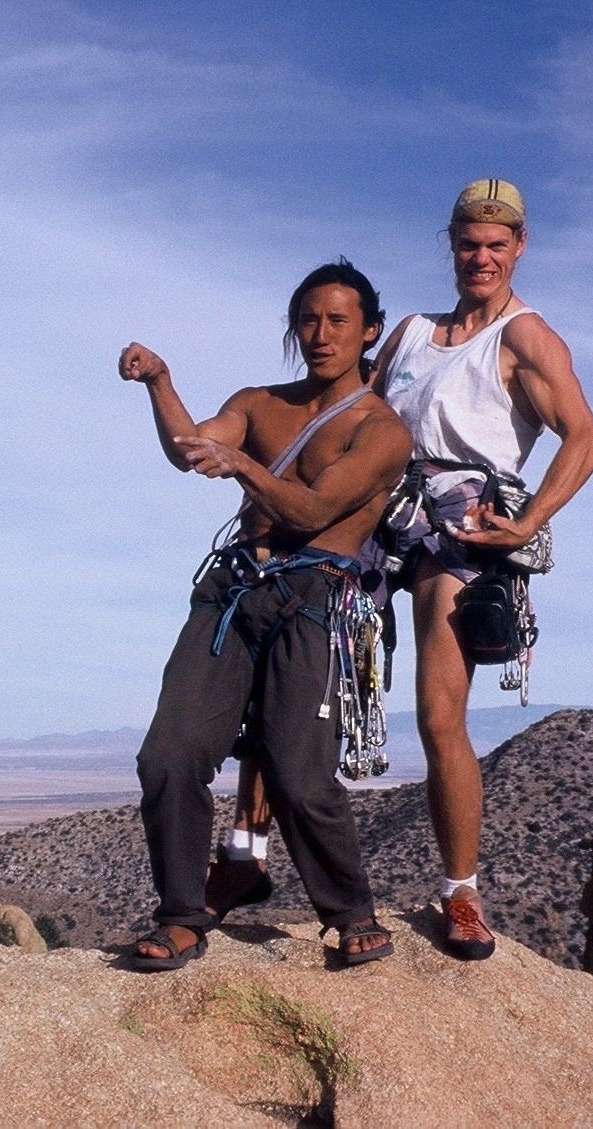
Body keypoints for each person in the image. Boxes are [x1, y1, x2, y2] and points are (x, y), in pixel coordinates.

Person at [207, 180, 593, 960]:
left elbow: (585, 439)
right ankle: (246, 857)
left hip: (460, 527)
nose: (480, 257)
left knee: (438, 712)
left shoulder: (527, 338)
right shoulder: (415, 332)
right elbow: (349, 406)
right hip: (377, 509)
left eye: (496, 245)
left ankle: (460, 894)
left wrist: (527, 522)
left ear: (520, 247)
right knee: (283, 664)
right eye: (468, 243)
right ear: (451, 245)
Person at [119, 260, 412, 969]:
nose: (320, 333)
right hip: (232, 596)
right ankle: (184, 916)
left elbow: (313, 509)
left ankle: (349, 913)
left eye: (338, 320)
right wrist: (162, 382)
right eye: (308, 319)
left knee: (297, 773)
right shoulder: (259, 402)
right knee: (168, 755)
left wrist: (246, 467)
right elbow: (192, 449)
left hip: (315, 602)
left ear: (369, 330)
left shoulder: (383, 432)